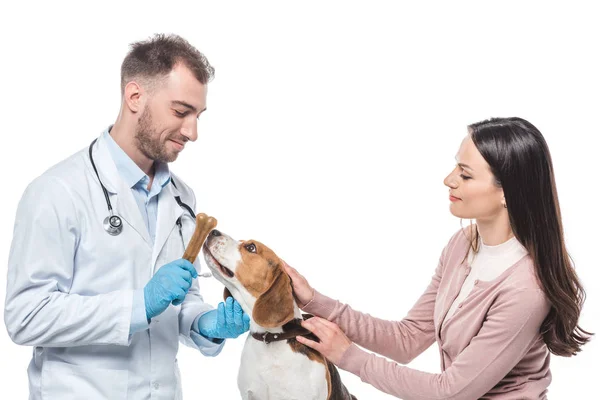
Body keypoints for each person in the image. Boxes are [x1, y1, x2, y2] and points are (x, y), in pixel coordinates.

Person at [4, 34, 250, 399]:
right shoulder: (58, 191)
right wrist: (139, 304)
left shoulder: (182, 198)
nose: (192, 132)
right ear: (135, 97)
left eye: (198, 116)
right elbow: (26, 316)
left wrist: (206, 323)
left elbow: (180, 301)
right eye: (181, 112)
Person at [284, 117, 593, 399]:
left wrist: (348, 356)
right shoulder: (464, 244)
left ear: (506, 193)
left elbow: (450, 392)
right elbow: (407, 340)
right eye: (456, 167)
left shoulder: (526, 289)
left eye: (466, 175)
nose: (449, 179)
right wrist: (313, 300)